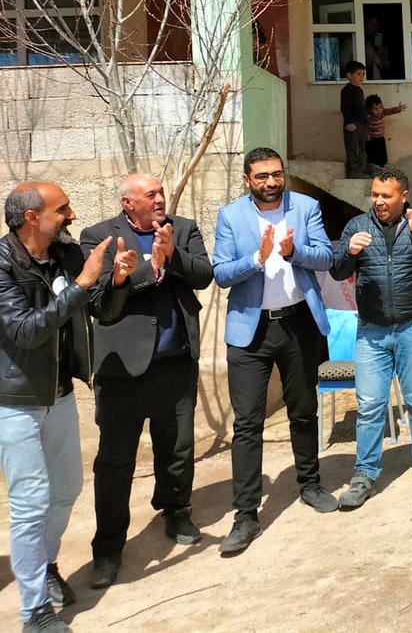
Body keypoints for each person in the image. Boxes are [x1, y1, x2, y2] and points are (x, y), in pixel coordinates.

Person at [0, 183, 135, 633]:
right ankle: (34, 612)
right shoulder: (2, 264)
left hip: (57, 393)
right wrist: (80, 285)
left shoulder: (65, 253)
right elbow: (25, 331)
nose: (72, 215)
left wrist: (114, 280)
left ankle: (44, 564)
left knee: (67, 488)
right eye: (62, 210)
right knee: (31, 501)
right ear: (32, 217)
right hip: (14, 401)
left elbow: (101, 310)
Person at [79, 175, 213, 590]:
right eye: (150, 195)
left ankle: (176, 511)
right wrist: (130, 276)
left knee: (177, 447)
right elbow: (100, 303)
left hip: (175, 364)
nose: (160, 200)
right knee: (115, 461)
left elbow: (203, 275)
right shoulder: (98, 236)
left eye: (161, 193)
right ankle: (108, 547)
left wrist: (171, 257)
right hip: (122, 371)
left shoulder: (184, 228)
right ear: (127, 203)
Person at [212, 147, 338, 556]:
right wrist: (257, 258)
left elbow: (326, 256)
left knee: (303, 410)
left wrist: (292, 252)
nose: (271, 182)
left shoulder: (305, 207)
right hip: (251, 331)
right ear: (247, 179)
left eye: (276, 174)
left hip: (299, 322)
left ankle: (310, 484)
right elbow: (220, 273)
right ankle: (246, 513)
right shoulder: (231, 216)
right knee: (247, 423)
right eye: (261, 176)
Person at [330, 165, 412, 505]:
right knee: (370, 406)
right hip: (371, 332)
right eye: (375, 195)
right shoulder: (356, 226)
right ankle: (365, 473)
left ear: (404, 196)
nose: (379, 201)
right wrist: (350, 251)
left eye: (387, 195)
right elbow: (339, 271)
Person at [341, 61, 372, 179]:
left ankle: (362, 171)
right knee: (353, 148)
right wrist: (348, 122)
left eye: (363, 74)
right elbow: (345, 107)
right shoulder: (347, 90)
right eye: (358, 74)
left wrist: (366, 128)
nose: (361, 77)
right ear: (349, 75)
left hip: (362, 125)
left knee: (362, 149)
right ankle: (353, 172)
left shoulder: (359, 90)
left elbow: (362, 109)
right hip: (352, 124)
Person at [363, 94, 407, 168]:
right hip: (371, 139)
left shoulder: (383, 112)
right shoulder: (368, 116)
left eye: (380, 107)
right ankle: (372, 169)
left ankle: (381, 168)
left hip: (380, 138)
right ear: (369, 110)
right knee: (373, 157)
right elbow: (362, 124)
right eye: (375, 108)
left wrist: (397, 109)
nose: (378, 110)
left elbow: (390, 111)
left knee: (383, 156)